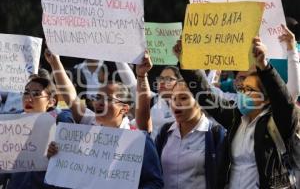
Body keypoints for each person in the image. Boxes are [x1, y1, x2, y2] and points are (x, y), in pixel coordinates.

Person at [173, 34, 299, 188]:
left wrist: (264, 67)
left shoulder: (277, 124)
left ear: (265, 97)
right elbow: (206, 95)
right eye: (242, 89)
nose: (243, 94)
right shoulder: (235, 119)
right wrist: (186, 61)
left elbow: (284, 102)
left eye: (250, 90)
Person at [45, 49, 164, 189]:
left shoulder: (136, 136)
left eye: (108, 99)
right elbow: (71, 97)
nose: (100, 103)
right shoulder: (89, 124)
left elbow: (154, 183)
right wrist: (55, 62)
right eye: (98, 97)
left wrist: (142, 75)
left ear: (124, 109)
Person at [135, 54, 228, 189]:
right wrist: (142, 76)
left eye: (184, 98)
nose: (177, 103)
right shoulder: (165, 133)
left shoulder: (215, 135)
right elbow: (143, 124)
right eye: (174, 98)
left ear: (199, 102)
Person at [3, 71, 73, 189]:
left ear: (51, 101)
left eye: (36, 94)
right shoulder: (12, 124)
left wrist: (57, 152)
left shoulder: (61, 120)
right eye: (26, 93)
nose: (28, 99)